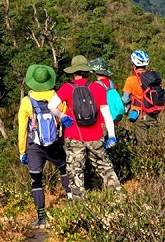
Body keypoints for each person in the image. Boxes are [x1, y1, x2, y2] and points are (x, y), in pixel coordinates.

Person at [48, 55, 121, 199]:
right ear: (87, 71)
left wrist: (62, 117)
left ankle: (79, 205)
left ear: (73, 72)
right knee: (105, 167)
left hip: (74, 135)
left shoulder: (67, 88)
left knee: (75, 172)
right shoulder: (97, 87)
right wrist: (111, 135)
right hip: (96, 135)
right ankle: (118, 198)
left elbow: (51, 106)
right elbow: (106, 113)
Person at [18, 64, 72, 229]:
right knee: (64, 169)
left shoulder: (26, 102)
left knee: (36, 181)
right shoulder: (56, 97)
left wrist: (22, 151)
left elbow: (22, 129)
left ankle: (42, 217)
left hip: (35, 146)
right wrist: (62, 140)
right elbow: (64, 119)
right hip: (54, 144)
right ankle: (72, 201)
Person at [121, 50, 160, 144]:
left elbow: (125, 99)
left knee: (141, 144)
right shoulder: (153, 77)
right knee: (154, 143)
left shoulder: (131, 79)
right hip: (153, 113)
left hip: (139, 114)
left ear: (133, 64)